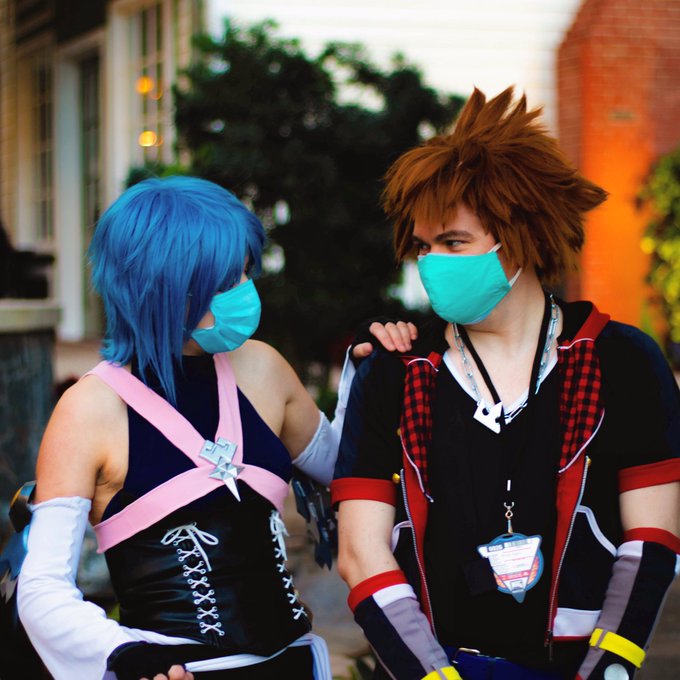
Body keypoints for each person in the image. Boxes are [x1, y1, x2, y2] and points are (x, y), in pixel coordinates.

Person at [332, 87, 680, 680]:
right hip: (440, 664)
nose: (432, 263)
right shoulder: (395, 371)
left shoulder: (621, 360)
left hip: (580, 665)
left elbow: (653, 538)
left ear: (523, 236)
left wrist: (607, 669)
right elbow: (359, 553)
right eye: (423, 246)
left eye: (454, 242)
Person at [15, 176, 405, 680]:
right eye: (223, 282)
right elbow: (41, 588)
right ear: (162, 287)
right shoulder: (89, 409)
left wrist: (373, 377)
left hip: (297, 664)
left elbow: (346, 471)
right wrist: (126, 655)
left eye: (243, 272)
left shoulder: (262, 367)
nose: (244, 292)